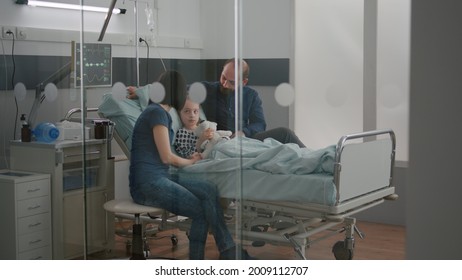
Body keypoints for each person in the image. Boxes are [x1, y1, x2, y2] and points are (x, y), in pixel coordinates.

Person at [129, 70, 254, 260]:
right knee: (200, 210)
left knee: (209, 189)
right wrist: (191, 161)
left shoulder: (160, 112)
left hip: (161, 177)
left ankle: (228, 250)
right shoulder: (156, 113)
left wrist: (138, 91)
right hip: (147, 185)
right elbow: (167, 157)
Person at [200, 58, 306, 148]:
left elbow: (260, 124)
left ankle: (317, 159)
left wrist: (243, 133)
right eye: (223, 77)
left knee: (285, 133)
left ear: (244, 82)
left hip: (246, 138)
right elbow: (183, 91)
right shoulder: (206, 89)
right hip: (220, 140)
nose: (225, 84)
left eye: (232, 82)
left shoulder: (251, 95)